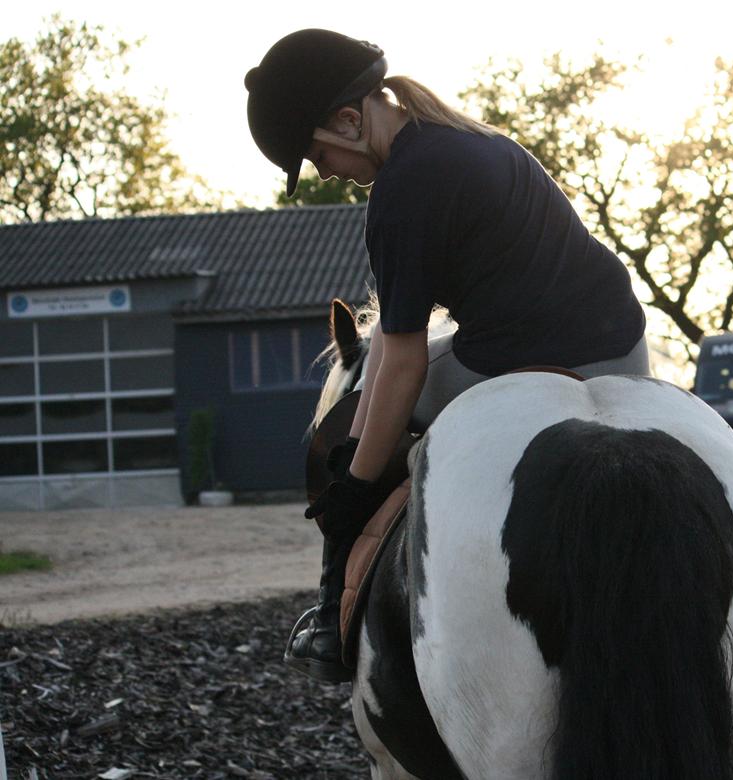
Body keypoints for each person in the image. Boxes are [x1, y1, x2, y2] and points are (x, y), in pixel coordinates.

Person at [245, 29, 649, 683]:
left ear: (349, 121)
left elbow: (397, 360)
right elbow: (399, 337)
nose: (324, 172)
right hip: (623, 350)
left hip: (521, 366)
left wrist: (353, 480)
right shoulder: (477, 140)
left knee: (344, 429)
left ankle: (331, 614)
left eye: (318, 154)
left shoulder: (399, 192)